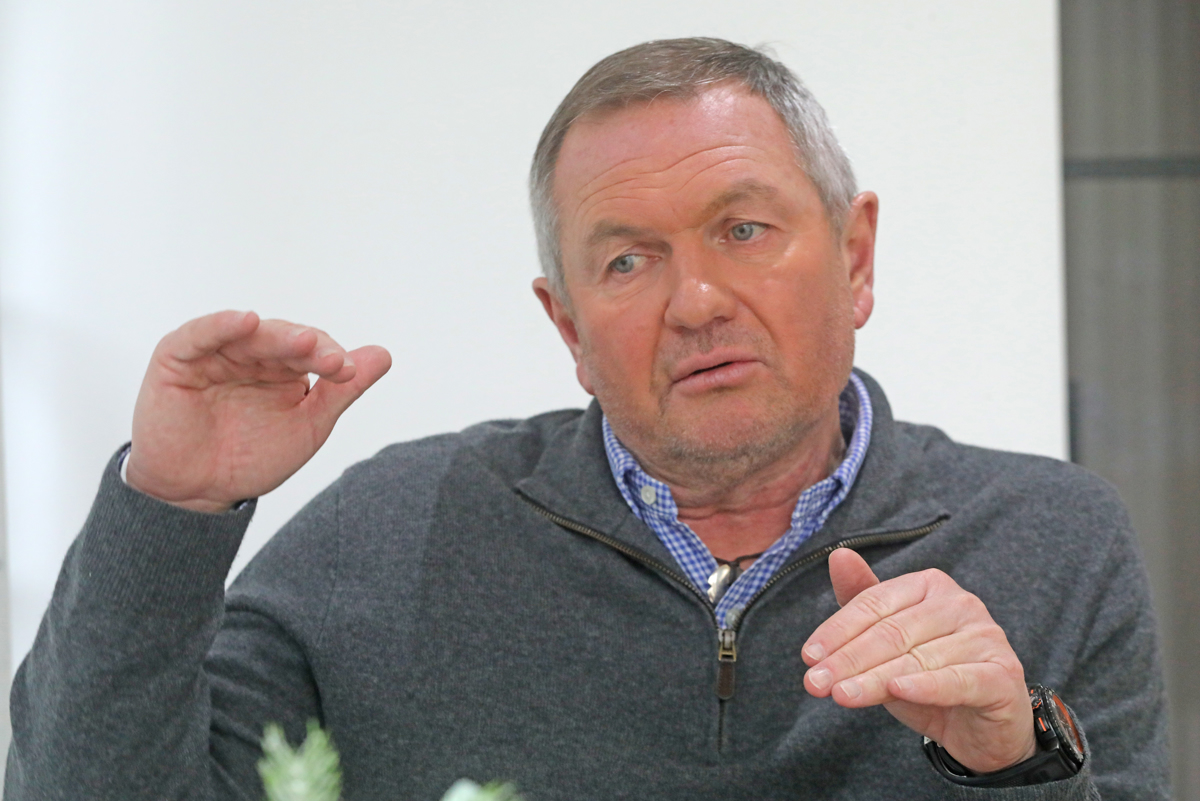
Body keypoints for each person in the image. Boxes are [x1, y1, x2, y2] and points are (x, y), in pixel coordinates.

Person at [6, 38, 1168, 800]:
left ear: (856, 258)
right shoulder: (393, 530)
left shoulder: (1052, 538)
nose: (697, 301)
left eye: (745, 230)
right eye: (626, 261)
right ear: (566, 324)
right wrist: (168, 512)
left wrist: (1013, 760)